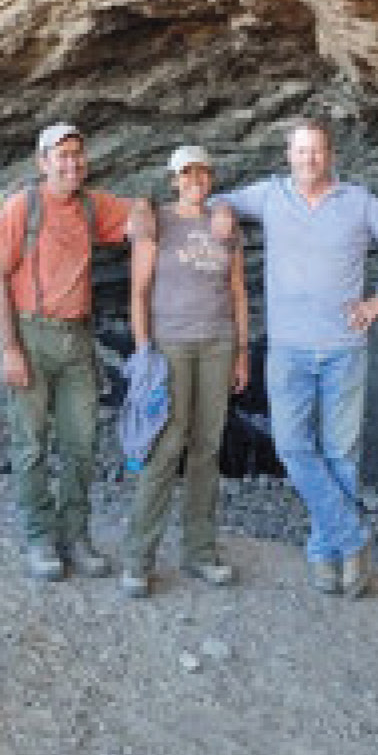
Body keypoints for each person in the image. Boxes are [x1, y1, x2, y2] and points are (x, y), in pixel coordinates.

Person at [229, 115, 378, 599]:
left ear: (330, 154)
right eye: (300, 151)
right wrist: (200, 215)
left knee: (340, 452)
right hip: (289, 349)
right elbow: (211, 203)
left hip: (344, 349)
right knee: (293, 446)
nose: (308, 159)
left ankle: (324, 551)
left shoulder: (357, 202)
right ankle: (351, 537)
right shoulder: (269, 196)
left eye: (316, 150)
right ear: (287, 155)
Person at [0, 117, 139, 582]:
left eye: (77, 154)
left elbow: (141, 216)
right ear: (42, 162)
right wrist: (9, 349)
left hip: (76, 338)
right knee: (31, 446)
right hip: (29, 333)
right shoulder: (22, 208)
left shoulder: (92, 206)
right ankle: (39, 537)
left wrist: (196, 212)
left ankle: (75, 535)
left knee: (82, 443)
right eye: (61, 155)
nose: (72, 163)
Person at [119, 142, 254, 592]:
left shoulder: (226, 226)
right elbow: (139, 291)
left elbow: (237, 292)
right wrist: (143, 353)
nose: (195, 181)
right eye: (187, 174)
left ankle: (200, 552)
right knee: (165, 446)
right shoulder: (156, 220)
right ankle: (139, 558)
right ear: (174, 179)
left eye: (203, 174)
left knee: (207, 447)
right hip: (170, 346)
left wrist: (241, 351)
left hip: (216, 344)